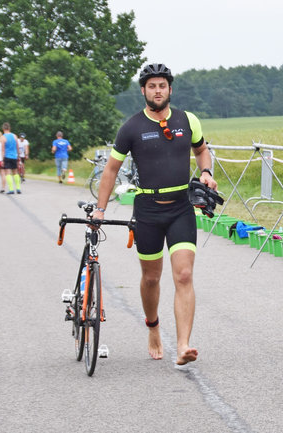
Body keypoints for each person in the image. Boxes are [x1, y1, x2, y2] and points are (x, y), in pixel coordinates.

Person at [92, 63, 216, 366]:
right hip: (147, 209)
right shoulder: (131, 127)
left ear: (170, 89)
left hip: (181, 207)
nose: (157, 91)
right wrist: (100, 209)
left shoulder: (188, 120)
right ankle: (153, 327)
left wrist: (206, 172)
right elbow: (111, 170)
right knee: (151, 278)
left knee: (184, 275)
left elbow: (201, 150)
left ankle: (183, 345)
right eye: (152, 86)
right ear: (143, 91)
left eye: (162, 85)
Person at [0, 122, 22, 194]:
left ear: (3, 129)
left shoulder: (3, 137)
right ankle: (18, 188)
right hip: (14, 156)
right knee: (15, 172)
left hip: (7, 156)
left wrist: (2, 160)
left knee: (8, 173)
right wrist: (18, 156)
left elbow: (3, 150)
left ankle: (11, 189)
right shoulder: (15, 136)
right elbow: (17, 147)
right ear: (9, 128)